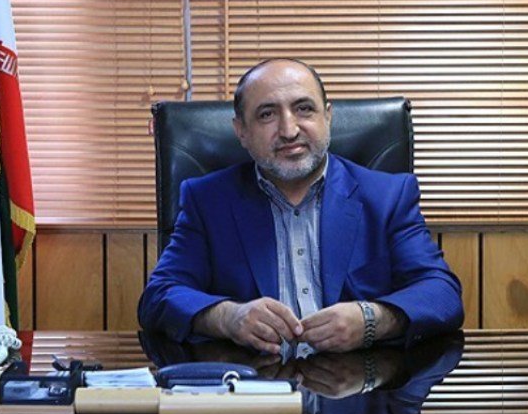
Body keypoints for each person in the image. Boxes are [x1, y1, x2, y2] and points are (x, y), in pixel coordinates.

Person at [138, 58, 463, 354]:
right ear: (242, 132)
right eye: (267, 114)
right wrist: (228, 317)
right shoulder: (208, 200)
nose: (289, 130)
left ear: (328, 117)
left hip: (359, 385)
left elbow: (441, 294)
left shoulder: (387, 196)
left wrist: (371, 320)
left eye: (304, 109)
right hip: (254, 385)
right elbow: (159, 297)